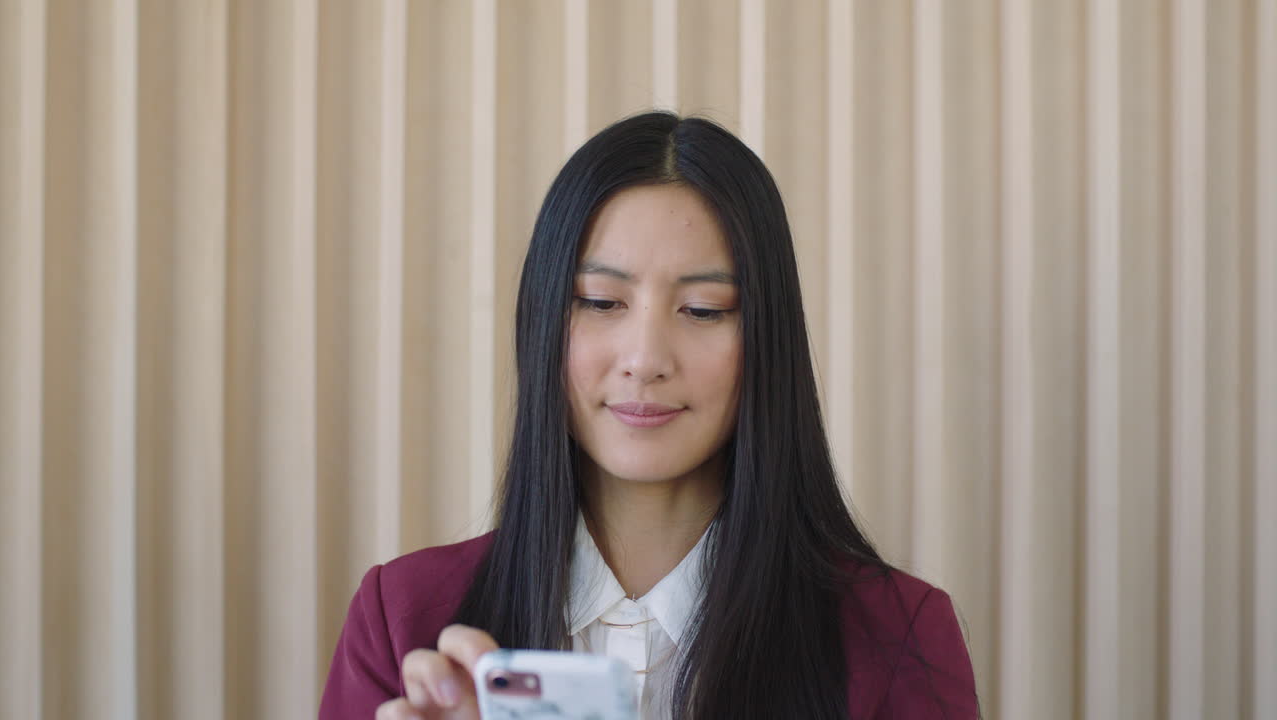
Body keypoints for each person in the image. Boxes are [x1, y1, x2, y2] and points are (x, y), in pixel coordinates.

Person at [319, 112, 978, 719]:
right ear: (544, 324)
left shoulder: (898, 634)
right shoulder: (403, 623)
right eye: (601, 301)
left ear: (767, 342)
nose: (645, 358)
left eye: (703, 310)